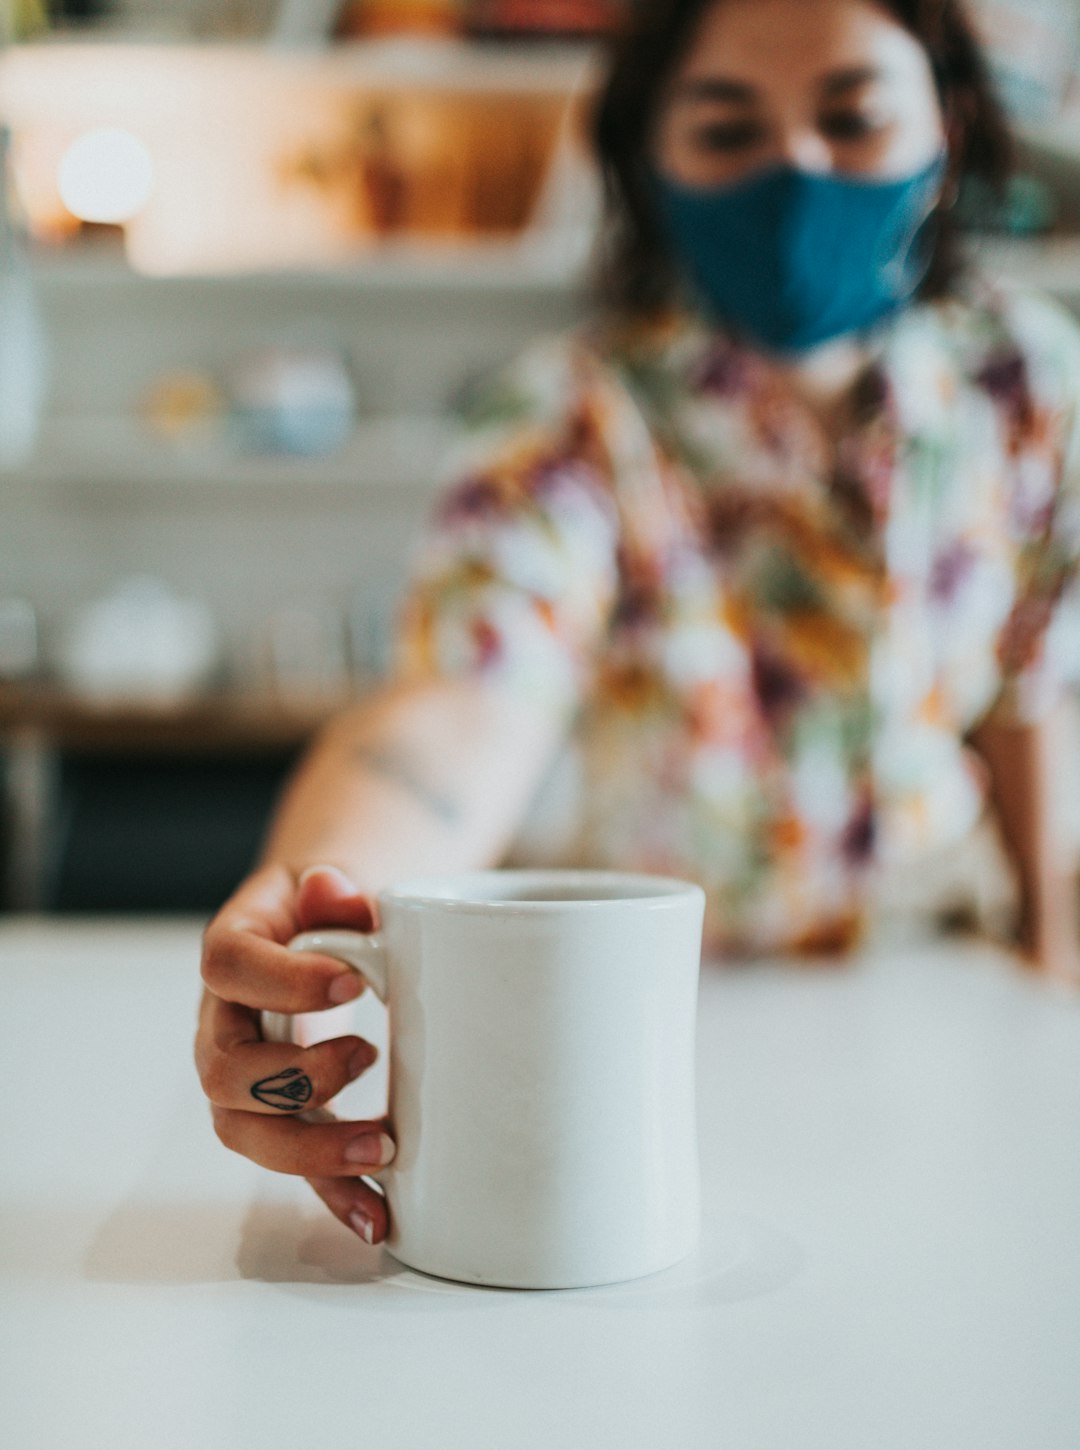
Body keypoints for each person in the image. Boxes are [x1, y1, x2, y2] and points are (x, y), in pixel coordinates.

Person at [196, 0, 1080, 1247]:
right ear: (650, 166)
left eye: (853, 115)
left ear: (954, 123)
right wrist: (308, 913)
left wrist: (1048, 960)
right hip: (657, 1029)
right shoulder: (569, 417)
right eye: (728, 130)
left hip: (948, 986)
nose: (798, 171)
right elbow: (457, 710)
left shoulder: (1031, 388)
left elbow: (1031, 694)